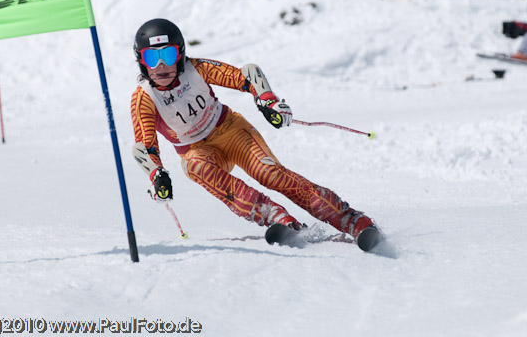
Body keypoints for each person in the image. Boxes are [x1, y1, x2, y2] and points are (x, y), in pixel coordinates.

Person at [130, 18, 381, 251]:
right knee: (194, 167)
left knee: (269, 173)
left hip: (230, 130)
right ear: (141, 61)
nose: (161, 66)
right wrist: (157, 175)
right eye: (152, 57)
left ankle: (352, 220)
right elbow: (144, 145)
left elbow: (247, 74)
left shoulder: (196, 68)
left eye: (168, 54)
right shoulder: (144, 98)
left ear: (181, 53)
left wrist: (267, 101)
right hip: (197, 150)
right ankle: (275, 216)